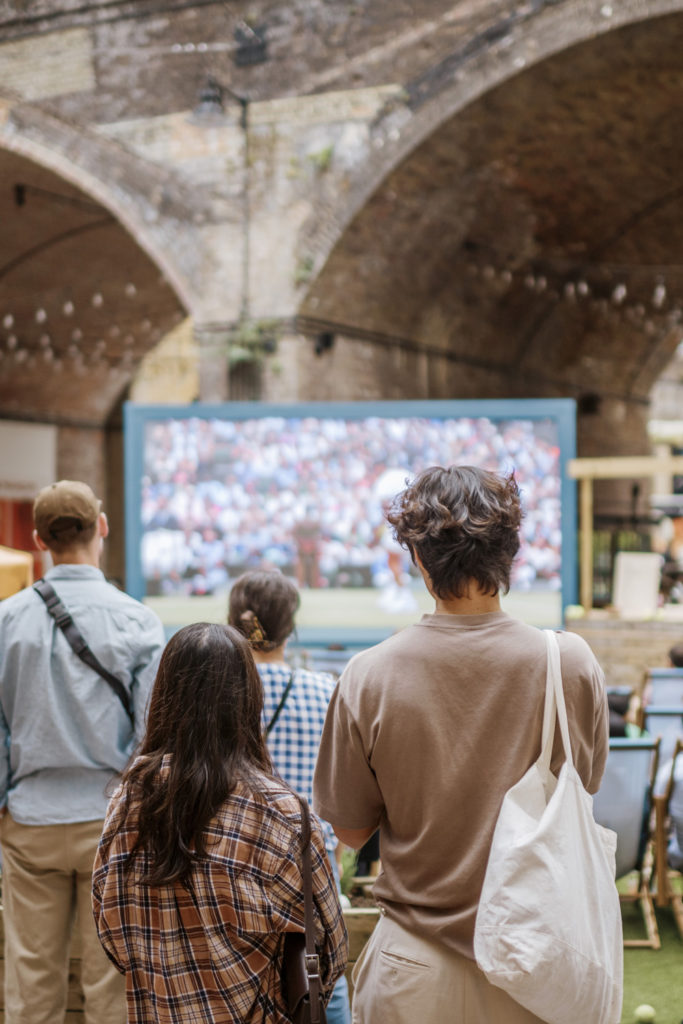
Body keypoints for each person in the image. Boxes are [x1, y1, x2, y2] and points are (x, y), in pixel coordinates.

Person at [313, 465, 610, 1024]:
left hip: (414, 966)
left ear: (419, 559)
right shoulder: (569, 663)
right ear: (512, 552)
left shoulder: (367, 675)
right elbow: (583, 787)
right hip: (541, 957)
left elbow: (352, 831)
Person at [92, 622, 348, 1023]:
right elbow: (329, 952)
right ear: (248, 698)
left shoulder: (130, 799)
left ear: (164, 696)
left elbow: (111, 931)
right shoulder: (283, 813)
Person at [0, 479, 165, 1024]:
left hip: (29, 819)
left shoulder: (6, 621)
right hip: (111, 823)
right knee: (111, 987)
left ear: (38, 539)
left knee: (31, 982)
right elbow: (152, 736)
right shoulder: (138, 621)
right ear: (102, 527)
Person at [228, 569, 353, 1024]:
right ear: (290, 626)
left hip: (234, 864)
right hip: (308, 864)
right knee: (320, 985)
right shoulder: (323, 692)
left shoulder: (220, 695)